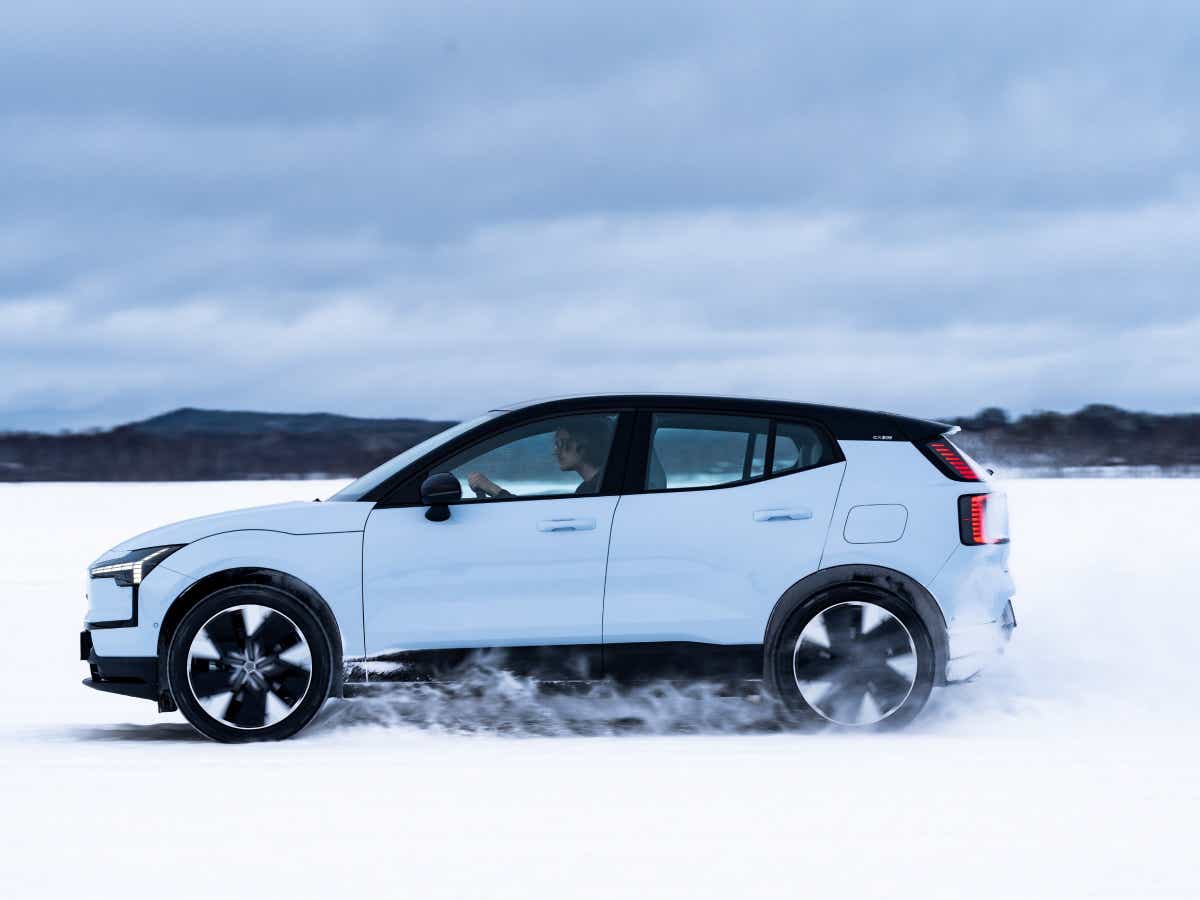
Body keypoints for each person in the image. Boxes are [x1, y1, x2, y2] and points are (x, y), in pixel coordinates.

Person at [468, 418, 610, 499]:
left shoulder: (596, 489)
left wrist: (493, 489)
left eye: (560, 443)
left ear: (582, 444)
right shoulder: (595, 486)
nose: (555, 451)